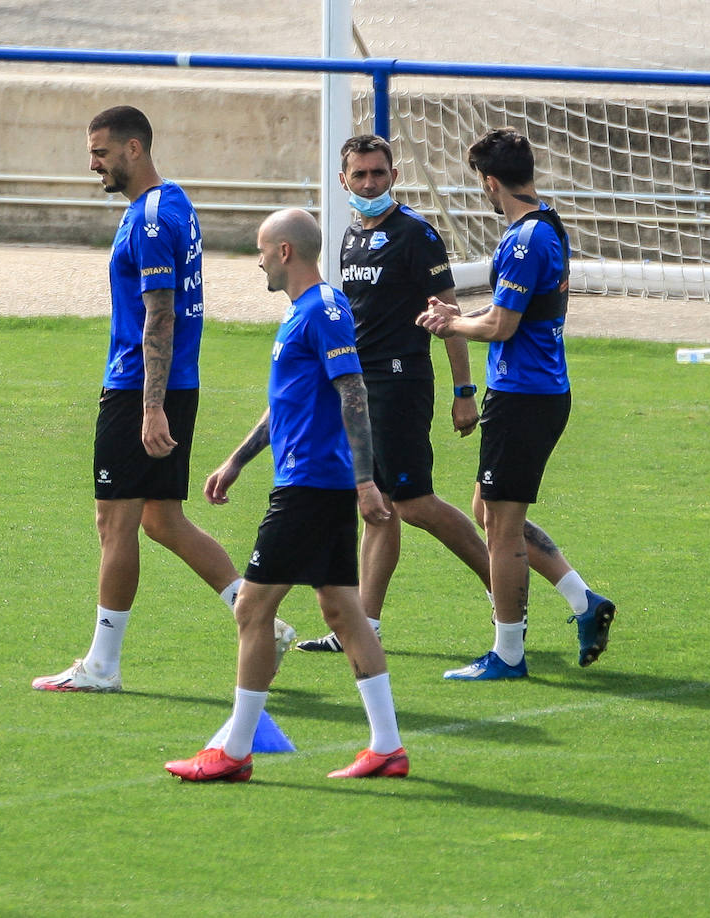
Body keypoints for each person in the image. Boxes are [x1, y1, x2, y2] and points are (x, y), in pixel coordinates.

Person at [32, 105, 292, 693]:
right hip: (175, 383)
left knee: (114, 522)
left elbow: (160, 314)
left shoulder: (150, 219)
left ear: (133, 149)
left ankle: (103, 665)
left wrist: (150, 406)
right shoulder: (173, 202)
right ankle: (259, 618)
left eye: (100, 152)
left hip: (140, 388)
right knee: (162, 519)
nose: (92, 162)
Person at [165, 208, 408, 782]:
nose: (256, 260)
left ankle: (234, 751)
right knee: (344, 612)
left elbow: (354, 394)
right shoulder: (303, 312)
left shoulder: (322, 310)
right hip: (310, 482)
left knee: (252, 607)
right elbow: (291, 403)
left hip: (310, 487)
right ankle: (387, 747)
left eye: (261, 249)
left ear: (285, 253)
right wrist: (237, 460)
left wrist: (366, 480)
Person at [417, 127, 616, 679]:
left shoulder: (525, 239)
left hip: (524, 396)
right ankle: (584, 602)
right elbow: (514, 313)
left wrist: (450, 321)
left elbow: (502, 326)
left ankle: (507, 654)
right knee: (487, 511)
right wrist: (459, 315)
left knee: (502, 528)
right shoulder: (545, 222)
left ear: (489, 181)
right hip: (537, 390)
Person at [294, 133, 494, 655]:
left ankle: (505, 589)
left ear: (394, 176)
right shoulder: (349, 236)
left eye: (378, 174)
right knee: (376, 505)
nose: (369, 183)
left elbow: (449, 313)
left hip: (401, 383)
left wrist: (464, 390)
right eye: (359, 175)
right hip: (359, 387)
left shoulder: (417, 236)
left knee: (416, 504)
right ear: (343, 181)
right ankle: (365, 626)